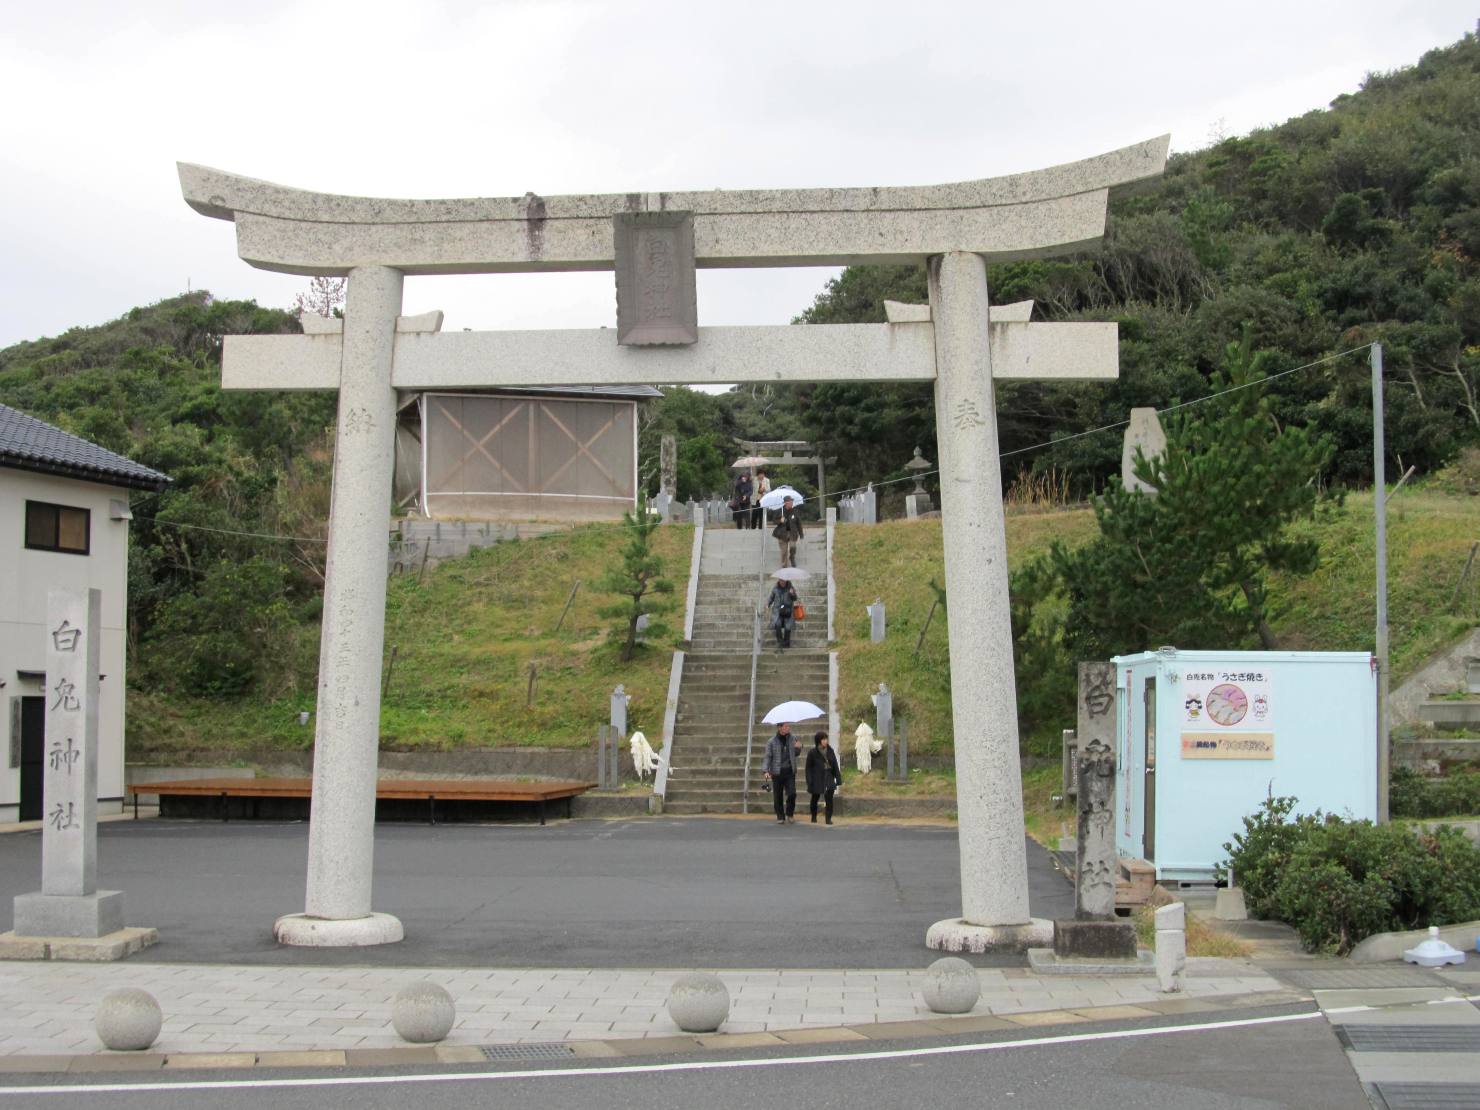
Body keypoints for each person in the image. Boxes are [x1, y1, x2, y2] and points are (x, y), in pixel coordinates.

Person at [762, 722, 801, 824]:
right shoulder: (771, 741)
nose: (788, 728)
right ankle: (780, 816)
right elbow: (768, 756)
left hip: (789, 771)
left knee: (792, 793)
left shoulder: (793, 738)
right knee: (777, 796)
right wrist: (765, 770)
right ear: (780, 728)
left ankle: (790, 813)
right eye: (786, 726)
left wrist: (798, 747)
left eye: (789, 726)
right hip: (777, 772)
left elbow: (797, 753)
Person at [805, 732, 843, 824]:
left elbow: (835, 765)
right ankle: (814, 815)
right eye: (823, 739)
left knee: (829, 798)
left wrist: (838, 778)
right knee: (815, 797)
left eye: (826, 739)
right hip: (817, 777)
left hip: (829, 775)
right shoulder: (812, 752)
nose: (825, 741)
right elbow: (808, 768)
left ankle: (828, 818)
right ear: (818, 741)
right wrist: (809, 780)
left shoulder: (830, 751)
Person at [766, 578, 797, 652]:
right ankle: (780, 642)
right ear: (779, 581)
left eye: (783, 581)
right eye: (780, 581)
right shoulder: (775, 588)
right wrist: (768, 604)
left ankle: (786, 643)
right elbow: (771, 597)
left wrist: (792, 593)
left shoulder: (790, 587)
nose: (782, 582)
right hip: (778, 612)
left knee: (787, 628)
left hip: (788, 611)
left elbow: (795, 598)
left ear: (786, 581)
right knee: (778, 624)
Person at [773, 495, 803, 567]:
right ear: (786, 503)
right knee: (784, 551)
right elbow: (774, 521)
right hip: (782, 533)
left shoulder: (795, 511)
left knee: (793, 547)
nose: (792, 503)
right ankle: (784, 565)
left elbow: (799, 523)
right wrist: (780, 521)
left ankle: (792, 558)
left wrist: (801, 533)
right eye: (790, 501)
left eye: (792, 501)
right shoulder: (780, 511)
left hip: (792, 533)